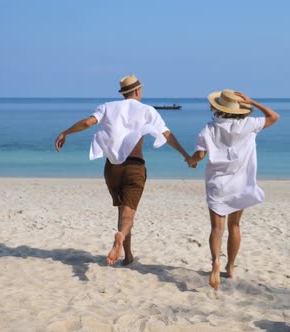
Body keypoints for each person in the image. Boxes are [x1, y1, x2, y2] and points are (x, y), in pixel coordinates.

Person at [55, 74, 190, 266]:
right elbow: (166, 135)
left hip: (112, 169)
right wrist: (186, 155)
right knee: (128, 215)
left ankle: (128, 256)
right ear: (137, 91)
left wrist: (65, 132)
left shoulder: (107, 107)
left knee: (122, 212)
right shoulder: (147, 110)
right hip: (134, 166)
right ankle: (119, 238)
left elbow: (87, 123)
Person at [186, 89, 280, 290]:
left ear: (217, 107)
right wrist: (253, 101)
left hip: (217, 185)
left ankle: (215, 264)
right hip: (240, 184)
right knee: (234, 226)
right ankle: (229, 267)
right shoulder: (249, 124)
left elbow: (199, 155)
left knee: (217, 228)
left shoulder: (209, 128)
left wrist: (190, 161)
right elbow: (274, 116)